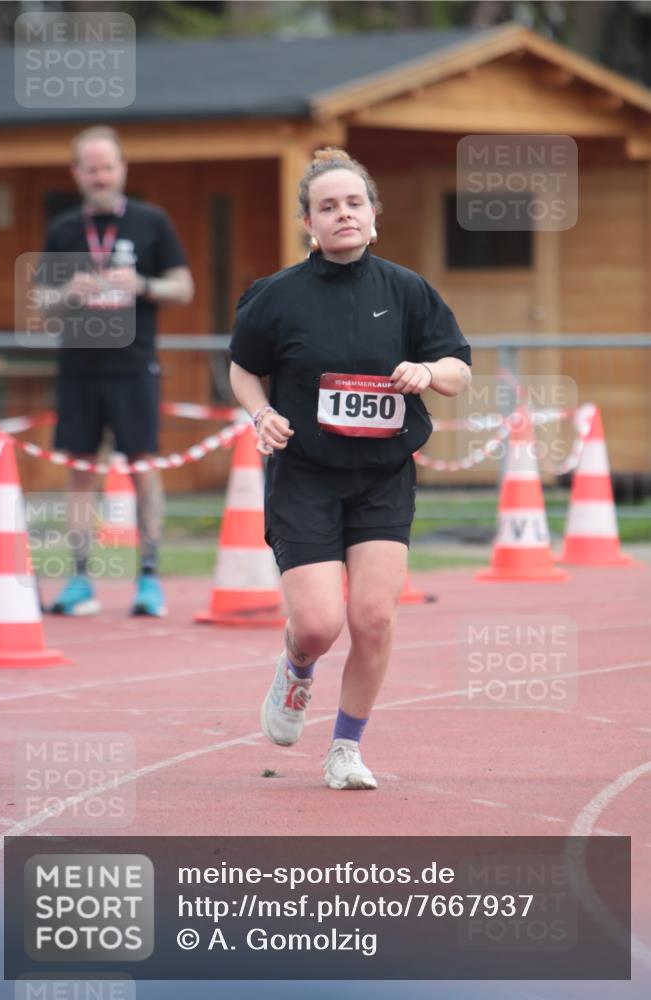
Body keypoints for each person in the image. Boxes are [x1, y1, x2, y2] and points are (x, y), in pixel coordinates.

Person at [229, 148, 472, 790]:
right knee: (318, 624)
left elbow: (458, 367)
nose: (343, 214)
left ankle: (345, 748)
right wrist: (260, 414)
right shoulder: (277, 296)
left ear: (374, 215)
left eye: (354, 203)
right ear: (309, 222)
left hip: (382, 474)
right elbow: (242, 366)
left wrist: (428, 372)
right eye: (328, 206)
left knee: (374, 618)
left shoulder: (407, 290)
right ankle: (296, 667)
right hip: (306, 473)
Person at [39, 125, 194, 617]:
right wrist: (68, 293)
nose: (100, 175)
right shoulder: (63, 230)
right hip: (79, 367)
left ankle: (149, 578)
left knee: (143, 467)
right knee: (81, 473)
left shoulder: (152, 222)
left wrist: (143, 284)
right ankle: (81, 579)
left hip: (133, 365)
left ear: (122, 169)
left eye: (108, 166)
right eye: (91, 167)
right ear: (77, 173)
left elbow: (184, 287)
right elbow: (41, 305)